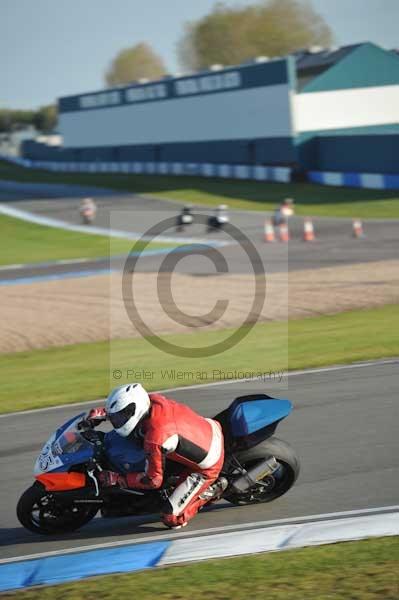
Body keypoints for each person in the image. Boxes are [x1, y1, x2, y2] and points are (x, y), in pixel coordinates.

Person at [88, 383, 225, 529]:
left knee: (171, 518)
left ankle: (210, 490)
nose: (117, 421)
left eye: (120, 416)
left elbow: (153, 480)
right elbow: (126, 410)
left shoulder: (155, 437)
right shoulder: (152, 400)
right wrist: (105, 413)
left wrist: (120, 479)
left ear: (135, 410)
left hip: (208, 464)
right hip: (207, 427)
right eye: (117, 416)